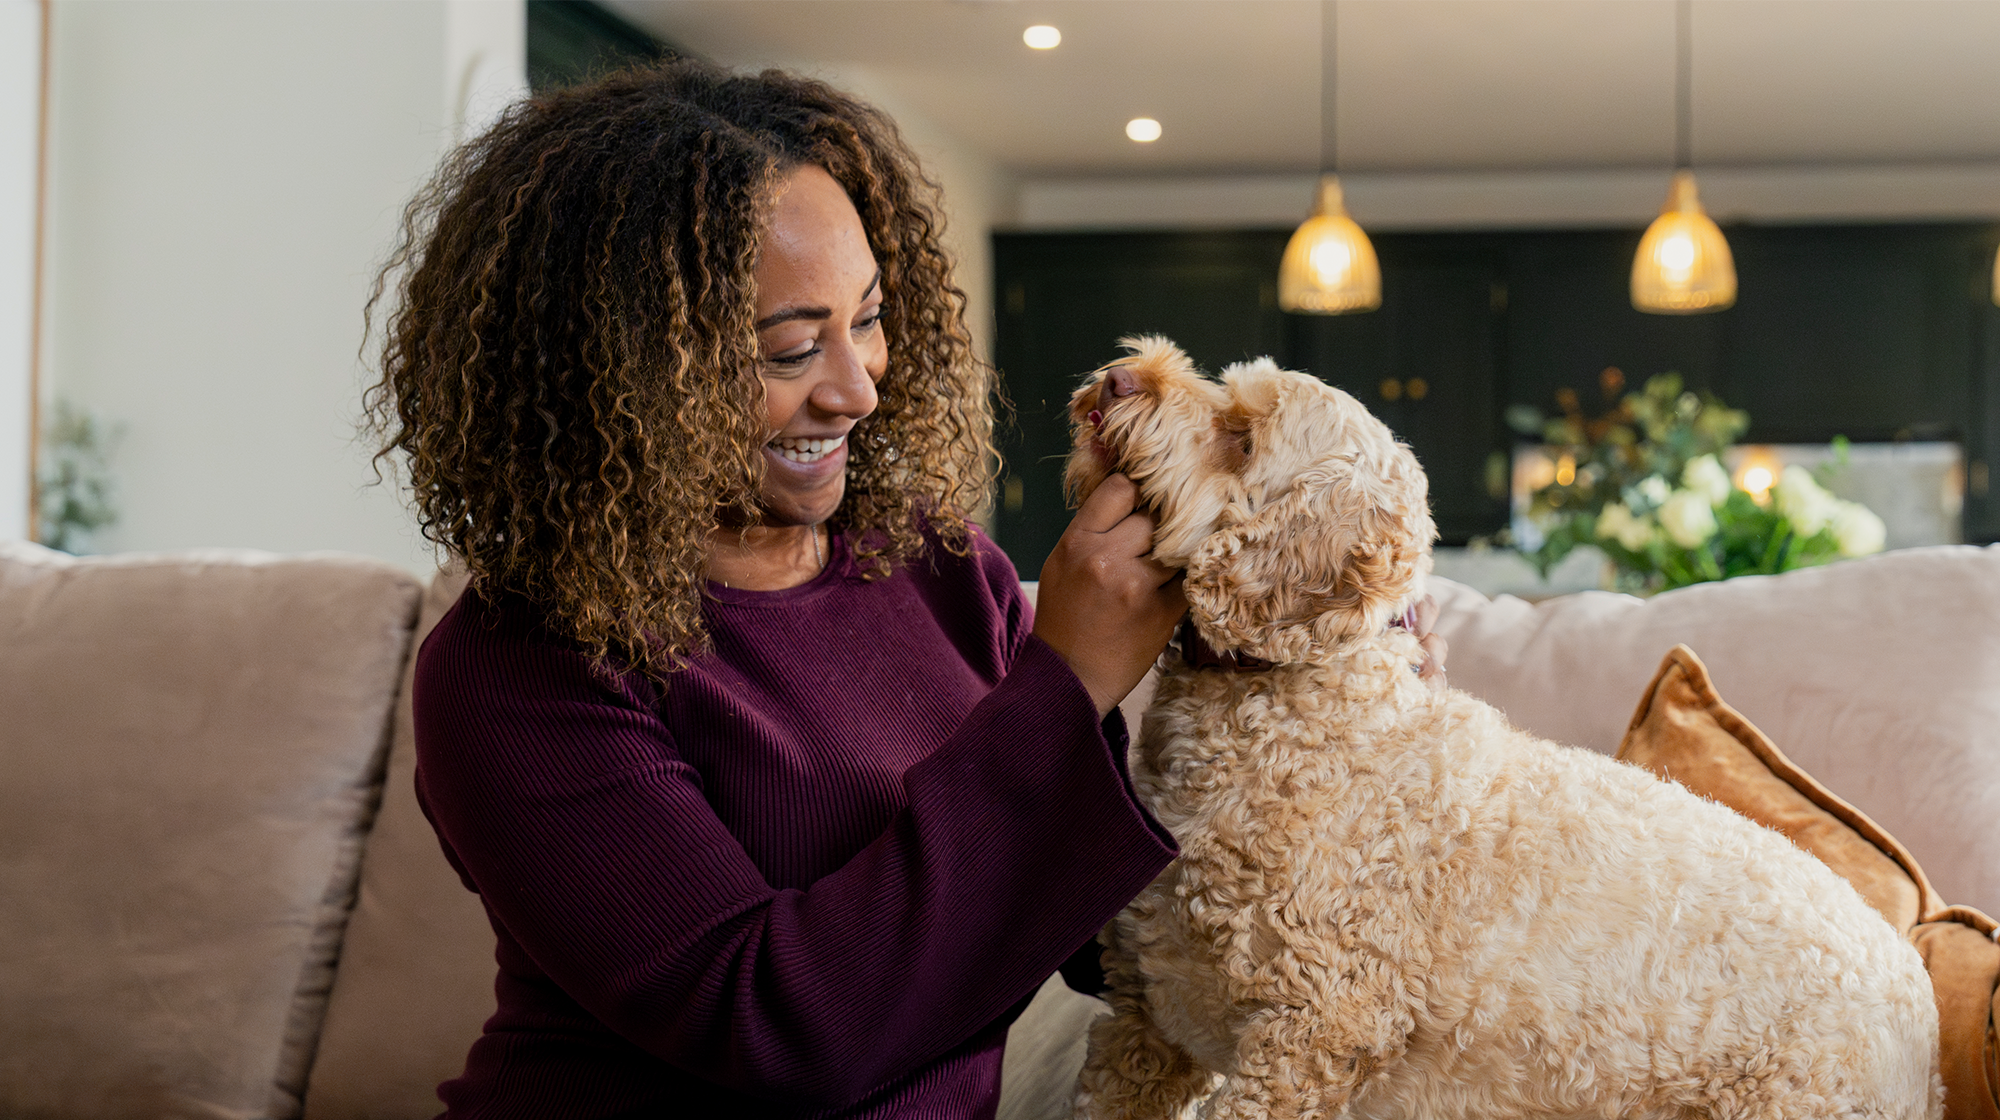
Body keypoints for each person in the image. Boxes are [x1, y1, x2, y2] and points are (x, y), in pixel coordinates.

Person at [368, 59, 1442, 1119]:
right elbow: (783, 1029)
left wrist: (1321, 711)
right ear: (620, 374)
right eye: (790, 348)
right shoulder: (513, 669)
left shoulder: (932, 568)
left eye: (867, 317)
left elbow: (1099, 942)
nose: (855, 386)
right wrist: (1065, 678)